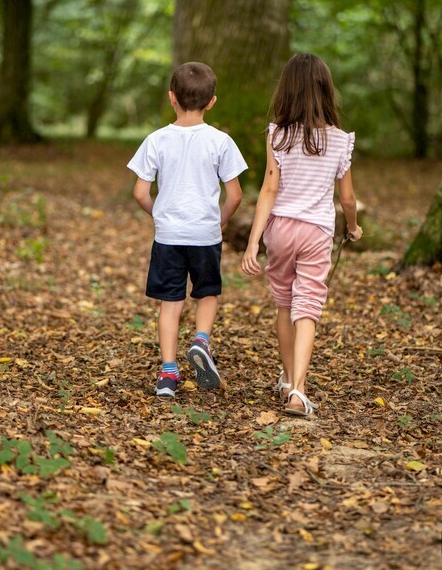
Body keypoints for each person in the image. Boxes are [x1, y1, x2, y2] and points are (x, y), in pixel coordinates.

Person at [241, 53, 362, 417]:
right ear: (326, 91)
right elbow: (348, 198)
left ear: (287, 90)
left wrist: (252, 241)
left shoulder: (277, 134)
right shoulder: (340, 141)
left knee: (283, 303)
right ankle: (298, 390)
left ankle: (287, 378)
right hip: (316, 232)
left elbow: (268, 190)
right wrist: (353, 227)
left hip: (279, 231)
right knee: (306, 307)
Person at [128, 62, 247, 398]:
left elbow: (139, 192)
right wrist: (220, 219)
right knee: (207, 292)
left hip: (168, 236)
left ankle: (167, 375)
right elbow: (235, 195)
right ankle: (201, 341)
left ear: (171, 98)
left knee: (170, 301)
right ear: (212, 102)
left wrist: (159, 214)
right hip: (205, 234)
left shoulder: (156, 140)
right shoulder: (221, 141)